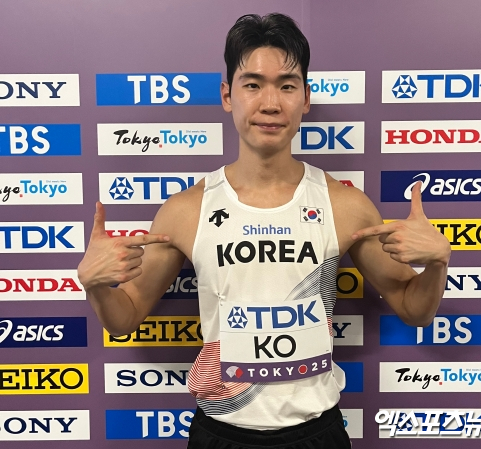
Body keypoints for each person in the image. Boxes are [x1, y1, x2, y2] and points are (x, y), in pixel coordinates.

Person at [78, 12, 451, 449]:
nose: (270, 103)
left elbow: (414, 309)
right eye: (252, 85)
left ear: (305, 98)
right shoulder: (186, 209)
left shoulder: (345, 205)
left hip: (316, 434)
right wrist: (96, 285)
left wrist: (438, 264)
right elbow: (123, 319)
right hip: (221, 435)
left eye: (287, 86)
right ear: (227, 95)